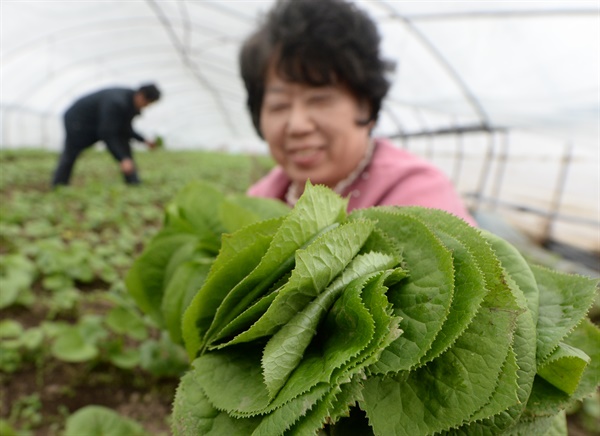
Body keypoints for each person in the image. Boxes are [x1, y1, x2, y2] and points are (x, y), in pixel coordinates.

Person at [241, 0, 476, 226]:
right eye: (279, 105)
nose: (297, 125)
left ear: (365, 104)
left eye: (319, 100)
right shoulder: (263, 197)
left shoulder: (417, 195)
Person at [51, 83, 161, 187]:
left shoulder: (128, 102)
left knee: (123, 142)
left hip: (95, 122)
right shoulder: (117, 102)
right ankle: (59, 185)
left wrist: (144, 140)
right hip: (78, 121)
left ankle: (133, 183)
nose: (146, 107)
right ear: (141, 96)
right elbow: (107, 133)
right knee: (71, 151)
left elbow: (125, 129)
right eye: (147, 104)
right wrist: (122, 158)